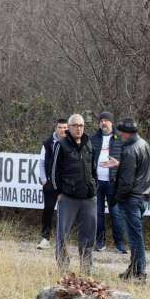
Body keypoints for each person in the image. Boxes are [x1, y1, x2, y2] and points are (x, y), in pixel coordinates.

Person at [50, 114, 97, 274]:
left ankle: (86, 270)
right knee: (62, 235)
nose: (78, 128)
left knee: (89, 236)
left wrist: (94, 186)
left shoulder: (89, 144)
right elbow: (53, 172)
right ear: (69, 128)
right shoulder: (61, 145)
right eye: (75, 125)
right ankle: (63, 269)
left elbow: (94, 169)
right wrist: (58, 193)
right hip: (68, 198)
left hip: (88, 198)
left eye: (81, 125)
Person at [111, 118, 150, 282]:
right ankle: (134, 269)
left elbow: (127, 182)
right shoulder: (144, 144)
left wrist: (116, 198)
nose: (120, 135)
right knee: (136, 236)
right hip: (143, 196)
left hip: (132, 198)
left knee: (135, 238)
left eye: (121, 132)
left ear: (127, 133)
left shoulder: (129, 150)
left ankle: (139, 273)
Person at [91, 112, 127, 254]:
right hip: (97, 182)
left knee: (116, 214)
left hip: (113, 183)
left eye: (106, 120)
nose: (103, 123)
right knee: (97, 213)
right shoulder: (93, 139)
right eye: (101, 121)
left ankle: (120, 244)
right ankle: (100, 242)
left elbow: (127, 160)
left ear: (112, 123)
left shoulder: (120, 139)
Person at [37, 117, 68, 250]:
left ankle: (63, 239)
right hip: (49, 184)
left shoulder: (71, 142)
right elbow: (41, 163)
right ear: (56, 128)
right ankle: (45, 238)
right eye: (60, 127)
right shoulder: (47, 143)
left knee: (66, 213)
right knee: (48, 210)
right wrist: (44, 180)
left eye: (65, 128)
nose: (62, 130)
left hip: (65, 185)